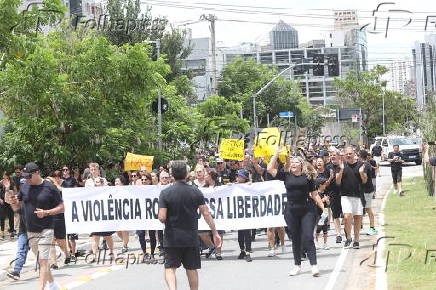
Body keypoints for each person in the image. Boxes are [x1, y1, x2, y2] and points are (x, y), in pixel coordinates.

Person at [158, 160, 221, 290]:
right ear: (187, 174)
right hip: (191, 237)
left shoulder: (165, 193)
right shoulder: (196, 191)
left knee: (170, 268)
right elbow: (206, 213)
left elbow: (162, 217)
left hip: (172, 238)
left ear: (172, 175)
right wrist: (215, 232)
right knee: (192, 269)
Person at [7, 162, 64, 290]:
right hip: (30, 231)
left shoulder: (50, 187)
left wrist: (46, 212)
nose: (26, 179)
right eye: (25, 176)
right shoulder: (25, 187)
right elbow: (17, 208)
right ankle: (53, 284)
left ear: (37, 173)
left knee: (43, 261)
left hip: (46, 229)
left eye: (29, 176)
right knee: (41, 261)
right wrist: (12, 202)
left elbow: (62, 207)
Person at [267, 149, 324, 277]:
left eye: (296, 162)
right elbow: (270, 168)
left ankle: (314, 266)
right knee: (296, 239)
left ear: (301, 165)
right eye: (291, 162)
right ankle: (297, 265)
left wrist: (323, 208)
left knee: (308, 237)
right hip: (291, 211)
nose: (293, 163)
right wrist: (276, 153)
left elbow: (314, 194)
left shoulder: (308, 177)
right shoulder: (286, 175)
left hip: (307, 209)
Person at [335, 147, 367, 249]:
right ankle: (348, 237)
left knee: (358, 218)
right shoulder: (341, 165)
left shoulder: (361, 165)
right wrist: (341, 170)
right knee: (347, 216)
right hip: (345, 196)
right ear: (344, 155)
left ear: (354, 154)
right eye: (347, 154)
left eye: (350, 153)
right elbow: (337, 182)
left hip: (359, 196)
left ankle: (356, 240)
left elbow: (365, 181)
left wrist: (361, 173)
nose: (348, 155)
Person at [358, 151, 377, 236]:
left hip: (367, 190)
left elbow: (364, 178)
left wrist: (361, 173)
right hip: (363, 190)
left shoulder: (365, 165)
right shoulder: (364, 164)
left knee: (368, 209)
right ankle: (360, 227)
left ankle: (372, 228)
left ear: (360, 157)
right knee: (361, 209)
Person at [0, 172, 17, 239]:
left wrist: (12, 195)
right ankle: (2, 233)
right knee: (2, 217)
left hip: (10, 202)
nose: (4, 176)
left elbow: (15, 191)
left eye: (5, 175)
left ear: (8, 176)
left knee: (11, 217)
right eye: (3, 175)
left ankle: (12, 232)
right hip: (2, 202)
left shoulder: (12, 182)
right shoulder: (1, 182)